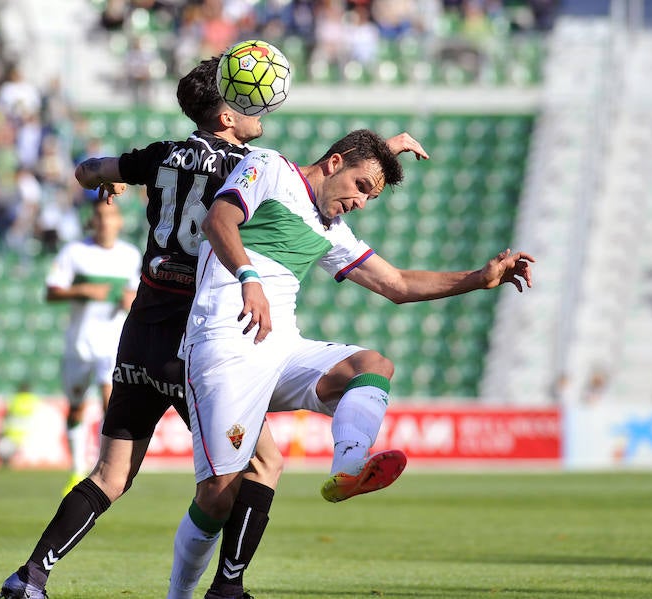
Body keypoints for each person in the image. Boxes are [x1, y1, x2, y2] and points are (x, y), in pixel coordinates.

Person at [0, 56, 427, 599]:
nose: (260, 113)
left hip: (141, 327)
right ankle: (224, 588)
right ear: (227, 113)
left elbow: (88, 170)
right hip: (194, 336)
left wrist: (106, 182)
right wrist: (383, 146)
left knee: (111, 474)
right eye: (250, 106)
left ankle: (31, 575)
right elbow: (304, 180)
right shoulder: (251, 166)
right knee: (261, 465)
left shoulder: (159, 157)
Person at [167, 129, 534, 599]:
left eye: (372, 197)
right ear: (335, 162)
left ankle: (347, 469)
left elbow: (398, 284)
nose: (362, 202)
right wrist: (249, 277)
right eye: (362, 187)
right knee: (219, 493)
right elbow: (219, 221)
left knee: (373, 364)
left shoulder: (331, 231)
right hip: (224, 345)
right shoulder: (270, 168)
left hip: (282, 349)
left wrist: (479, 278)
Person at [45, 199, 142, 494]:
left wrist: (130, 301)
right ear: (92, 222)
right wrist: (81, 290)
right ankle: (76, 467)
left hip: (112, 341)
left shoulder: (129, 255)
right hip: (79, 343)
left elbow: (135, 295)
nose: (104, 222)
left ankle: (104, 467)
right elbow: (51, 292)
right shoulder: (74, 253)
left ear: (119, 221)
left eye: (110, 216)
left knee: (109, 399)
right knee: (76, 408)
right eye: (99, 216)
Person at [0, 381, 41, 468]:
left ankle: (4, 459)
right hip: (26, 434)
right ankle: (6, 459)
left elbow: (8, 414)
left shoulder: (15, 399)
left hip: (11, 433)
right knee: (1, 444)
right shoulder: (34, 399)